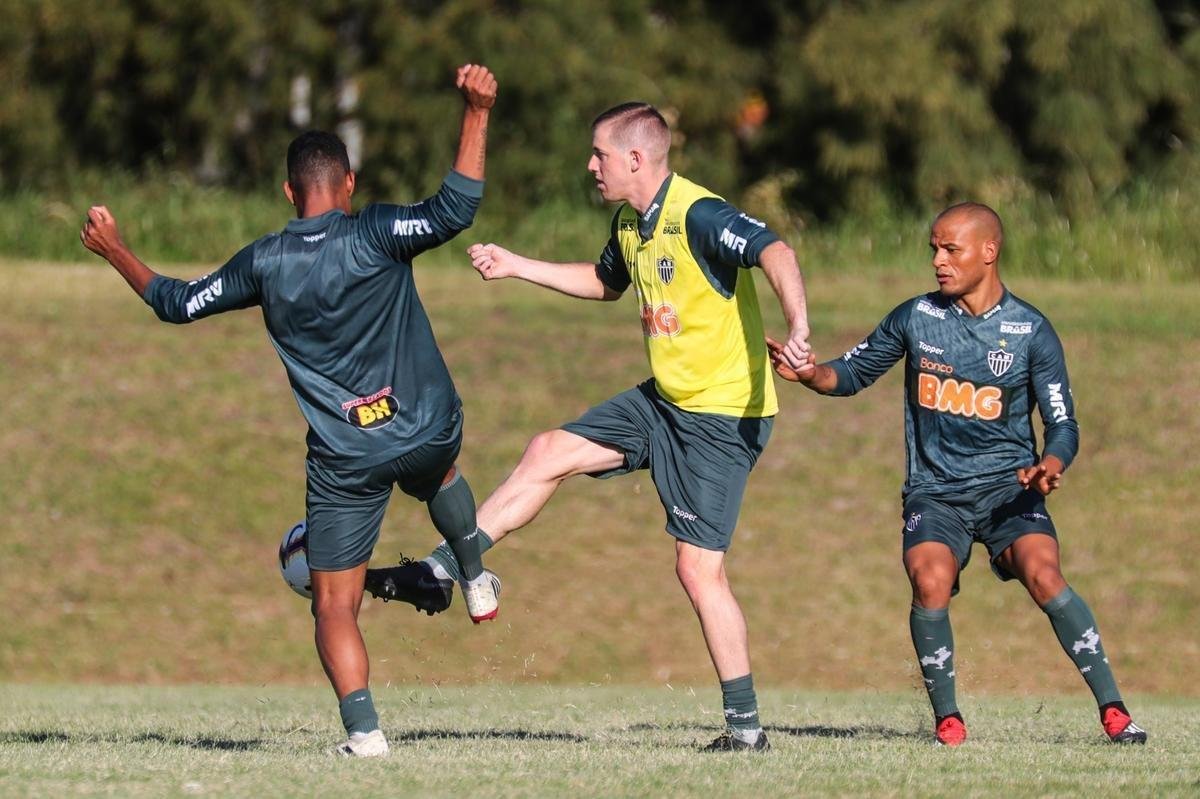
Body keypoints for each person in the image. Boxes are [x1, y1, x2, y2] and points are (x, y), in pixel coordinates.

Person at [80, 64, 502, 758]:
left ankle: (365, 735)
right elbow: (455, 208)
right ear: (349, 184)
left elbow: (176, 303)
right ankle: (474, 575)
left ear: (287, 191)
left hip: (346, 460)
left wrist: (116, 249)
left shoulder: (264, 262)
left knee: (333, 604)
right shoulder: (378, 231)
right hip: (425, 425)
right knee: (440, 470)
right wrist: (477, 111)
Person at [374, 102, 812, 752]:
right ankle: (445, 570)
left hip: (722, 417)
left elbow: (775, 250)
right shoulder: (631, 222)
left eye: (599, 153)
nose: (590, 164)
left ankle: (746, 733)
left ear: (636, 158)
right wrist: (518, 265)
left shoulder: (698, 213)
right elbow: (607, 282)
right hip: (665, 402)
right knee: (548, 450)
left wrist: (799, 325)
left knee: (698, 570)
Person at [768, 202, 1147, 746]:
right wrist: (810, 373)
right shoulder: (916, 317)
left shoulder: (1031, 330)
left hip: (1008, 491)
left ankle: (1115, 712)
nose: (938, 261)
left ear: (988, 252)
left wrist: (1052, 464)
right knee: (930, 580)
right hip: (935, 493)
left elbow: (1063, 424)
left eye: (951, 249)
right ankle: (948, 720)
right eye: (934, 249)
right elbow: (851, 374)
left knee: (1045, 575)